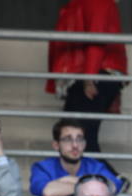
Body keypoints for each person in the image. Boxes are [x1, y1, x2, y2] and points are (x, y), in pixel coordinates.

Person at [47, 0, 127, 163]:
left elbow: (96, 39)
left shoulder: (96, 2)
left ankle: (112, 180)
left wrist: (89, 78)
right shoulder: (81, 3)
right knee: (75, 136)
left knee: (78, 137)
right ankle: (104, 181)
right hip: (89, 74)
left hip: (92, 74)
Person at [30, 118, 123, 196]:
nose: (75, 145)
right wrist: (90, 184)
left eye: (79, 139)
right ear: (56, 145)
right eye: (68, 139)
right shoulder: (43, 167)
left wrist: (69, 181)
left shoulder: (94, 166)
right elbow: (47, 192)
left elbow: (113, 187)